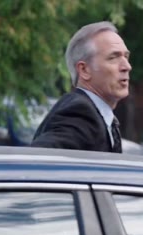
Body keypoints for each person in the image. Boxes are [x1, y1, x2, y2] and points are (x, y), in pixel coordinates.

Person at [31, 21, 131, 153]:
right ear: (84, 70)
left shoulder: (95, 113)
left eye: (126, 57)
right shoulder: (80, 114)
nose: (127, 66)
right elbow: (36, 158)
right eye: (113, 57)